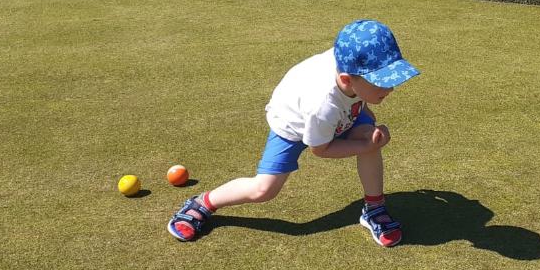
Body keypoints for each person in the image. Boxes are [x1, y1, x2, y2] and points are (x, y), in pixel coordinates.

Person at [168, 20, 420, 247]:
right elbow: (321, 149)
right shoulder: (321, 104)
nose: (392, 87)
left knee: (370, 137)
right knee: (263, 190)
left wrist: (366, 125)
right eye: (382, 81)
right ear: (346, 79)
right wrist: (364, 146)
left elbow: (357, 89)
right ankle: (203, 203)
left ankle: (374, 208)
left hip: (342, 107)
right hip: (293, 124)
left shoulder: (350, 66)